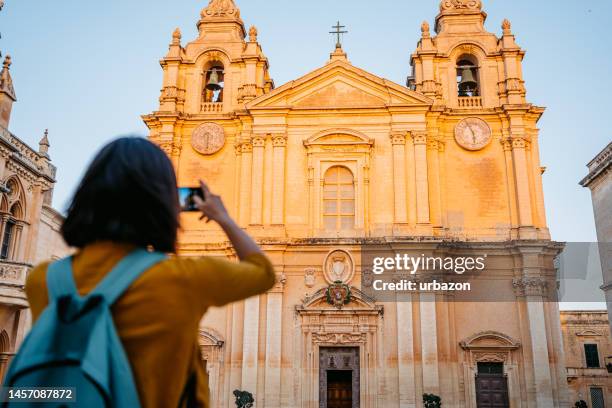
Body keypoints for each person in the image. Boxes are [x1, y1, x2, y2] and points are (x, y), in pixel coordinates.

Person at [24, 137, 276, 407]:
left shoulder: (43, 280)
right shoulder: (183, 278)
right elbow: (262, 272)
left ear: (85, 198)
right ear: (164, 206)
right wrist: (223, 217)